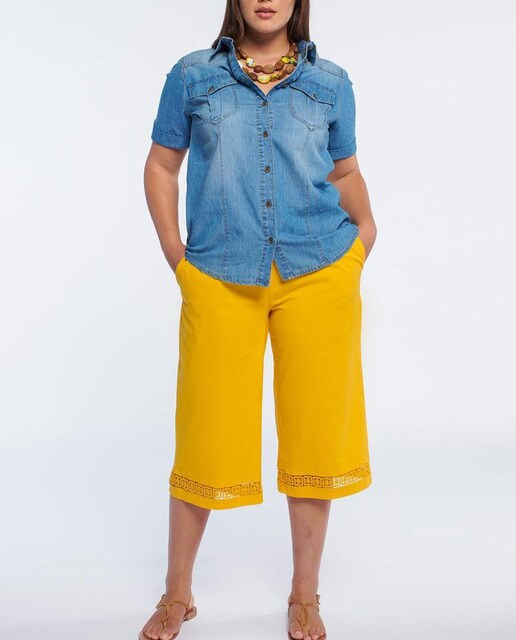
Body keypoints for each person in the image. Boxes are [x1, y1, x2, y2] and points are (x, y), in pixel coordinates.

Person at [140, 1, 377, 639]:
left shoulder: (330, 83)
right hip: (220, 272)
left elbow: (345, 170)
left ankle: (305, 595)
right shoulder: (193, 75)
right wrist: (176, 254)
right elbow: (162, 164)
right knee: (205, 433)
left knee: (316, 435)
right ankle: (177, 593)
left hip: (318, 270)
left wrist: (364, 238)